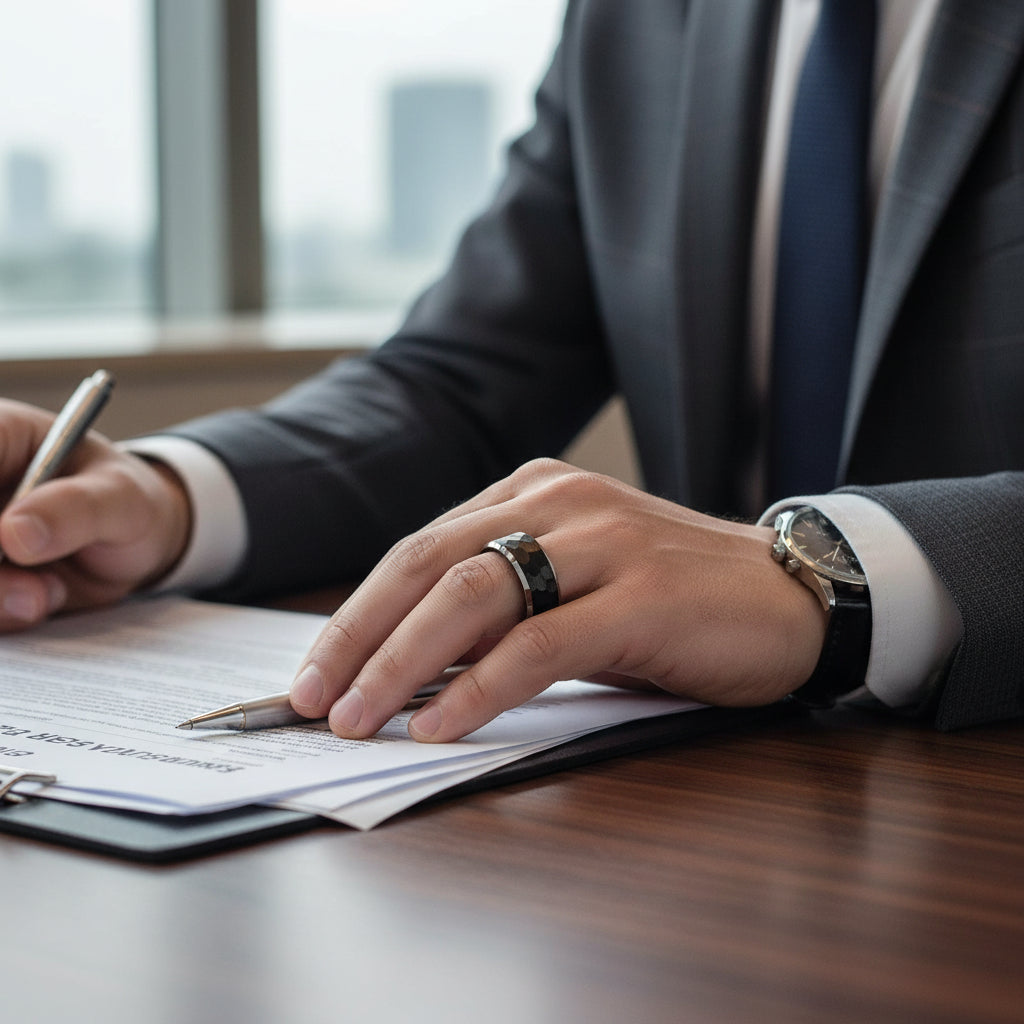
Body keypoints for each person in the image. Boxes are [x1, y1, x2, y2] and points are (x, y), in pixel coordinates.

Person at [1, 1, 1021, 743]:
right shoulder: (637, 22)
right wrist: (162, 496)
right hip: (708, 799)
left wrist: (832, 583)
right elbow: (461, 381)